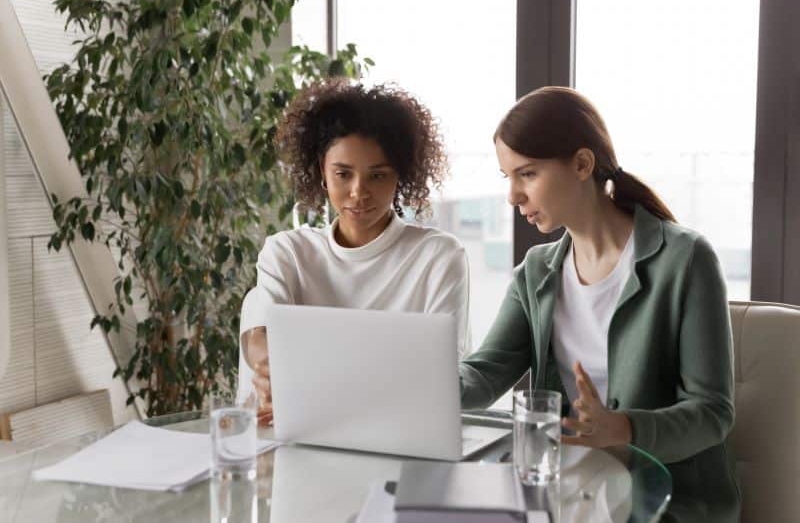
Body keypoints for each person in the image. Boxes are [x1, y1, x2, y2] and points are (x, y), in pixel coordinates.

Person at [459, 86, 739, 522]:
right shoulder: (536, 273)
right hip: (574, 493)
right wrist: (416, 379)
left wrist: (623, 428)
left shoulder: (685, 261)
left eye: (527, 174)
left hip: (667, 504)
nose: (513, 196)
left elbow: (712, 413)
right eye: (508, 177)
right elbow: (483, 374)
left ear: (583, 164)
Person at [238, 79, 470, 426]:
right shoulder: (288, 251)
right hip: (302, 436)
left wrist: (311, 382)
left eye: (378, 176)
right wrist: (269, 368)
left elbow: (439, 377)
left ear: (400, 177)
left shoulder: (438, 257)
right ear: (322, 171)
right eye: (343, 174)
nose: (358, 193)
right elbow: (261, 336)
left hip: (400, 438)